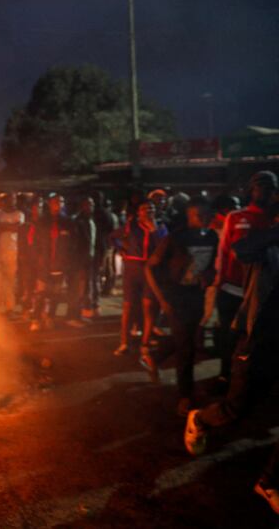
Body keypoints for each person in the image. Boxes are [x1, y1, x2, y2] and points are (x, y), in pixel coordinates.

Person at [184, 202, 279, 514]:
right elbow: (241, 249)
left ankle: (269, 482)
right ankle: (200, 418)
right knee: (236, 408)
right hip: (258, 339)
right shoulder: (266, 245)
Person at [144, 197, 218, 415]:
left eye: (207, 215)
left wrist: (209, 275)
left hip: (196, 293)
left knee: (186, 338)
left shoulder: (212, 237)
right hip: (175, 296)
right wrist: (163, 299)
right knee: (186, 348)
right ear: (189, 217)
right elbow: (150, 268)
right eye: (199, 216)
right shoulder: (175, 238)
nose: (204, 220)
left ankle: (155, 357)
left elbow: (211, 265)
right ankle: (185, 396)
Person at [211, 171, 277, 389]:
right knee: (229, 338)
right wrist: (218, 281)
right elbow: (225, 252)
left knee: (254, 339)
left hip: (261, 293)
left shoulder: (274, 219)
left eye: (272, 186)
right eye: (262, 186)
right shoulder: (237, 217)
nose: (268, 190)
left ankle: (248, 379)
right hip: (232, 289)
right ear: (251, 190)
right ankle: (225, 377)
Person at [111, 200, 168, 356]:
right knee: (128, 307)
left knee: (148, 306)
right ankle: (124, 342)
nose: (148, 211)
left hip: (151, 271)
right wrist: (121, 249)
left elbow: (164, 247)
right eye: (144, 209)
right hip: (132, 269)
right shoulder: (131, 227)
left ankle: (146, 342)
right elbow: (113, 236)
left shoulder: (161, 227)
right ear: (138, 213)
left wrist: (153, 230)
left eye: (151, 208)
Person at [31, 193, 73, 331]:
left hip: (60, 265)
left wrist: (67, 263)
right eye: (55, 202)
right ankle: (36, 318)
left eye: (60, 202)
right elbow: (35, 243)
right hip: (44, 265)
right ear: (50, 204)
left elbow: (71, 245)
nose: (58, 204)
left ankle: (51, 317)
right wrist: (37, 260)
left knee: (56, 294)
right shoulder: (42, 222)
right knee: (41, 294)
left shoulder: (67, 222)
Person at [68, 196, 96, 326]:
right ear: (82, 206)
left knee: (83, 289)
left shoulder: (90, 221)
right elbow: (74, 244)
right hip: (79, 262)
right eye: (87, 204)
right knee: (76, 290)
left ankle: (78, 315)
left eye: (91, 205)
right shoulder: (77, 221)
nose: (90, 207)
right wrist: (78, 263)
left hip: (88, 261)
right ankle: (72, 317)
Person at [0, 192, 24, 318]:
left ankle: (11, 308)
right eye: (9, 199)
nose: (12, 202)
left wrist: (4, 226)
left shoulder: (19, 214)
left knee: (11, 281)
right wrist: (9, 226)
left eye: (14, 199)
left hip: (13, 252)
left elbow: (18, 228)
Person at [93, 193, 119, 299]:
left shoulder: (97, 213)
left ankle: (102, 289)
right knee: (108, 267)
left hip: (101, 244)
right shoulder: (109, 214)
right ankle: (107, 288)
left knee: (102, 268)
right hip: (107, 244)